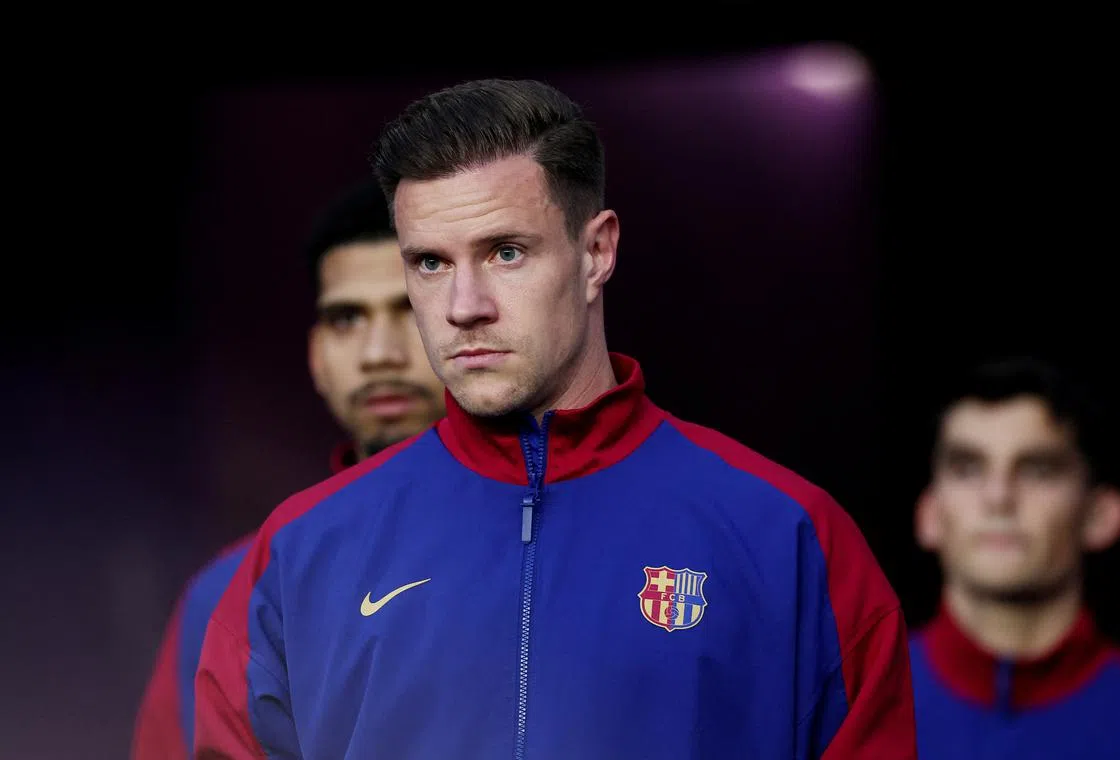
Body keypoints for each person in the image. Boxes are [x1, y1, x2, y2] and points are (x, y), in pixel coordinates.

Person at [194, 78, 917, 759]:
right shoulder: (301, 553)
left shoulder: (789, 539)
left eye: (505, 252)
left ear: (596, 250)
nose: (463, 306)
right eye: (430, 264)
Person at [130, 179, 446, 759]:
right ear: (317, 355)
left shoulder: (550, 545)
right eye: (347, 318)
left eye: (412, 310)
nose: (379, 352)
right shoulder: (234, 589)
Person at [909, 356, 1120, 758]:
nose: (998, 498)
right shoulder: (849, 707)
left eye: (1038, 471)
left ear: (1100, 516)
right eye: (967, 469)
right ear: (929, 515)